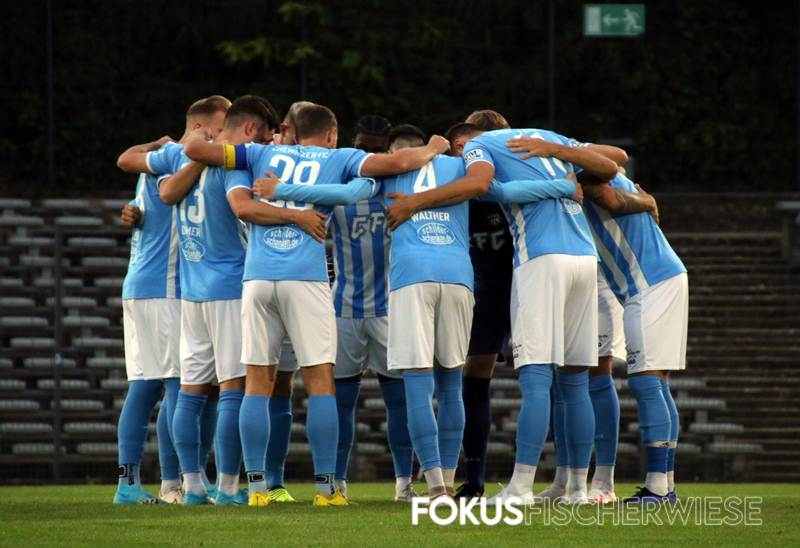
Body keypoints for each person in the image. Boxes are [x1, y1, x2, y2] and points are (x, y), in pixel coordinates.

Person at [183, 104, 449, 506]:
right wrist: (432, 147)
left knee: (257, 382)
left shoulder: (260, 153)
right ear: (331, 134)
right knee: (321, 382)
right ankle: (326, 489)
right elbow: (399, 162)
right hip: (305, 278)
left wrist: (201, 135)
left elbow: (195, 151)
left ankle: (256, 490)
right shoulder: (340, 158)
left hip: (257, 278)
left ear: (292, 130)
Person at [385, 110, 621, 504]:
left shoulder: (479, 146)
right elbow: (613, 163)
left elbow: (484, 185)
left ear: (466, 143)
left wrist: (414, 202)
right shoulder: (547, 136)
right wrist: (560, 165)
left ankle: (521, 487)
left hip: (541, 260)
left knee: (535, 379)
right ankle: (578, 488)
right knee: (576, 380)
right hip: (584, 259)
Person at [113, 95, 231, 505]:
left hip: (146, 285)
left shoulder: (161, 159)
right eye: (221, 128)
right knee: (181, 385)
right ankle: (176, 482)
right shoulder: (181, 157)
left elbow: (130, 168)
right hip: (165, 287)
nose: (225, 137)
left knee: (149, 385)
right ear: (201, 129)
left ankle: (133, 483)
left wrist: (133, 211)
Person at [581, 168, 686, 504]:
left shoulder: (585, 177)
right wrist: (647, 200)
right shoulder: (605, 174)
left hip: (649, 284)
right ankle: (664, 484)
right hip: (658, 279)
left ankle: (658, 488)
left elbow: (611, 181)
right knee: (658, 384)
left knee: (646, 383)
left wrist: (646, 201)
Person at [327, 117, 416, 502]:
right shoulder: (337, 188)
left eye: (378, 150)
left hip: (390, 310)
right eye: (363, 148)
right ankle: (337, 483)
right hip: (343, 309)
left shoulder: (402, 190)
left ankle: (404, 485)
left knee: (399, 400)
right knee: (340, 402)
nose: (370, 157)